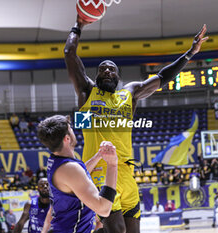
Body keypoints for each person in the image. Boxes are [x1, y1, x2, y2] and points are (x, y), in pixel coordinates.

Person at [64, 15, 208, 233]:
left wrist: (190, 54)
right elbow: (69, 54)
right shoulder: (88, 92)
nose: (107, 71)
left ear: (118, 76)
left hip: (128, 173)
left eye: (111, 69)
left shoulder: (129, 94)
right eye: (102, 69)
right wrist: (79, 26)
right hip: (100, 172)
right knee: (118, 230)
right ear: (96, 76)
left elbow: (162, 77)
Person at [37, 115, 118, 233]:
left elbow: (79, 175)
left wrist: (98, 156)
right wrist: (112, 165)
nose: (73, 131)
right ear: (67, 139)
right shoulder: (70, 169)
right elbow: (103, 209)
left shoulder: (56, 160)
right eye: (71, 129)